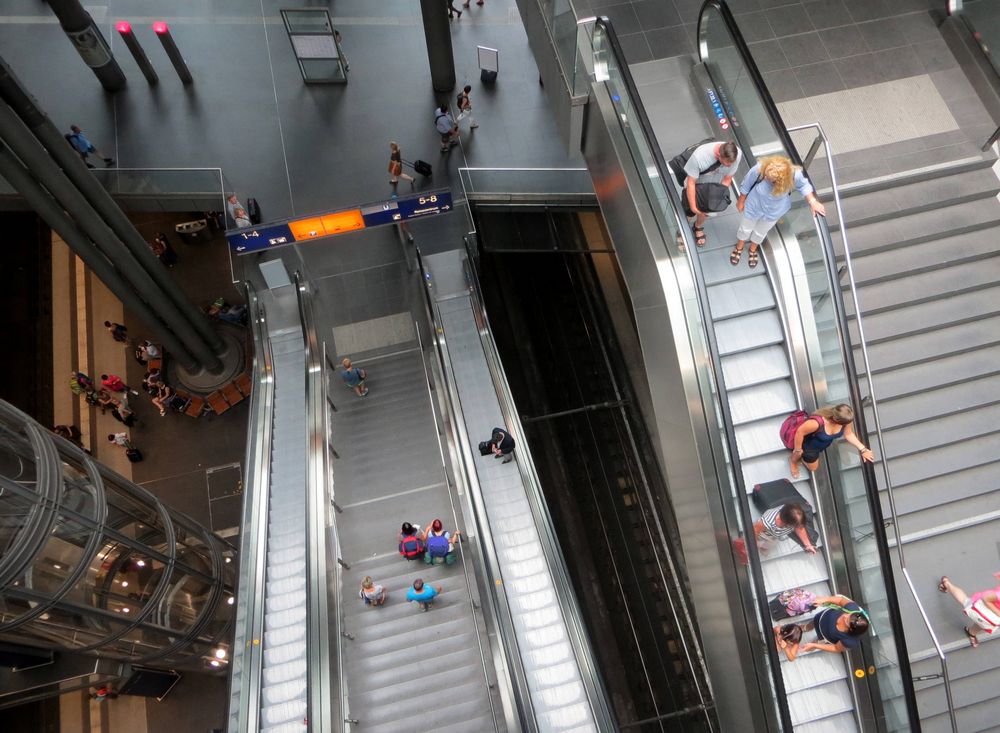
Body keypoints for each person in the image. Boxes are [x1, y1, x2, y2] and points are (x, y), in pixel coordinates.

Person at [731, 155, 826, 268]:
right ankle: (739, 247)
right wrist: (741, 201)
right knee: (745, 227)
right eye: (766, 174)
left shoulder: (794, 174)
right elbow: (747, 184)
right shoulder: (760, 168)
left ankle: (753, 249)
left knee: (761, 231)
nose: (765, 176)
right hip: (754, 205)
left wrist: (812, 201)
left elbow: (803, 185)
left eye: (769, 178)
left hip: (774, 211)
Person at [676, 140, 740, 247]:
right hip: (696, 184)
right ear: (718, 155)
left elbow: (728, 178)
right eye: (725, 164)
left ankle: (698, 226)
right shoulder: (699, 157)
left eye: (730, 164)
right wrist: (693, 208)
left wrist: (718, 198)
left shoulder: (736, 155)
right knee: (688, 211)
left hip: (713, 186)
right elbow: (691, 183)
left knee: (706, 210)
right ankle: (681, 230)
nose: (728, 167)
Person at [789, 404, 874, 479]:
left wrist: (863, 449)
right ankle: (793, 461)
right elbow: (800, 432)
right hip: (809, 447)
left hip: (823, 444)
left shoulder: (845, 421)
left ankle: (801, 457)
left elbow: (848, 434)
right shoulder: (816, 423)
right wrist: (798, 450)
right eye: (843, 424)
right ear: (835, 419)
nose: (845, 425)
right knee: (813, 468)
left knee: (812, 465)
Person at [795, 594, 869, 656]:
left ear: (850, 629)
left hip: (824, 638)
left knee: (815, 643)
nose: (844, 616)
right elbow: (840, 600)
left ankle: (811, 645)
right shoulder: (852, 608)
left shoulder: (850, 640)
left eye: (846, 621)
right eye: (848, 614)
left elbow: (836, 648)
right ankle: (805, 628)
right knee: (812, 623)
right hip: (821, 618)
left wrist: (815, 645)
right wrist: (824, 600)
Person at [939, 574, 1000, 647]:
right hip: (983, 604)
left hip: (991, 616)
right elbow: (986, 599)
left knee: (983, 623)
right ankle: (946, 584)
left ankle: (971, 632)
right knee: (965, 601)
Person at [752, 503, 817, 556]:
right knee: (764, 545)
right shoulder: (768, 522)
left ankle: (764, 546)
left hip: (775, 534)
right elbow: (754, 530)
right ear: (786, 523)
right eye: (795, 525)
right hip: (764, 534)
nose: (799, 527)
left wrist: (808, 544)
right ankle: (762, 548)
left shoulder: (789, 511)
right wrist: (755, 544)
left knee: (770, 544)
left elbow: (799, 528)